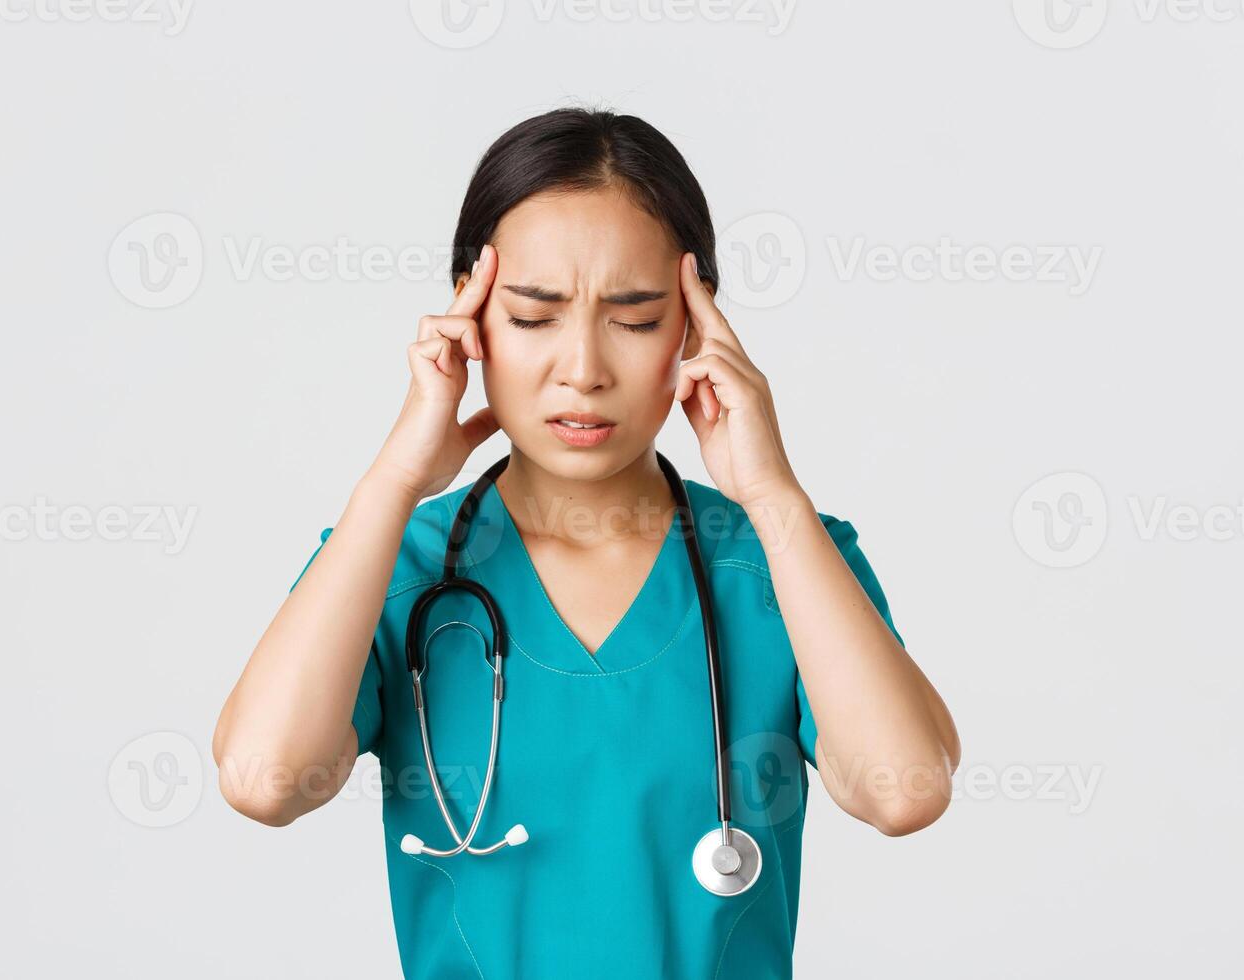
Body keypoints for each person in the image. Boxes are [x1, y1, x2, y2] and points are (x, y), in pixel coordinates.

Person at [209, 108, 961, 978]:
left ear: (694, 324)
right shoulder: (393, 562)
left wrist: (770, 490)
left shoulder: (779, 559)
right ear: (470, 315)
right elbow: (265, 783)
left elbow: (903, 794)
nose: (583, 369)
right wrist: (390, 486)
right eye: (533, 318)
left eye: (635, 320)